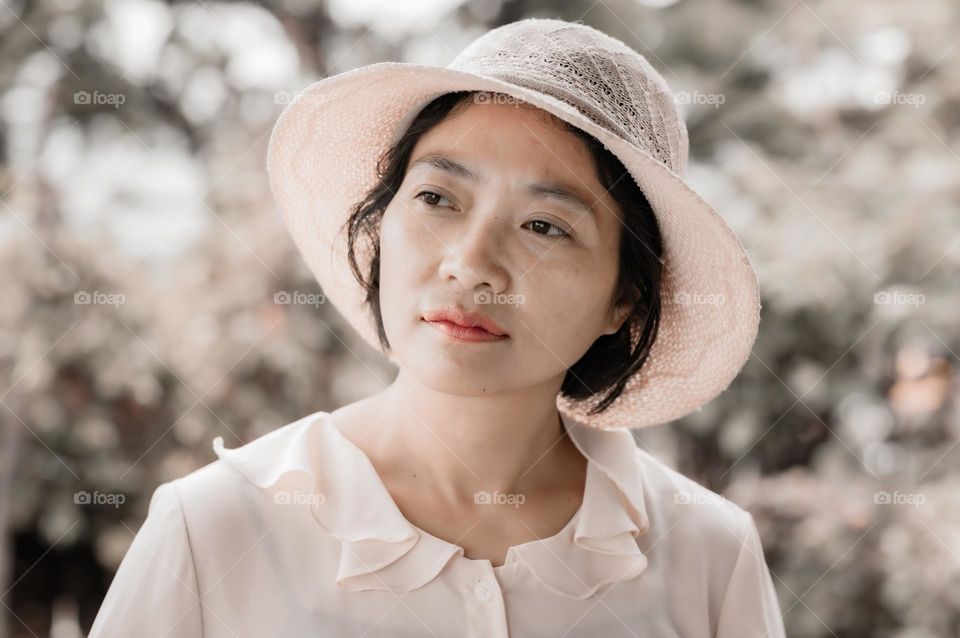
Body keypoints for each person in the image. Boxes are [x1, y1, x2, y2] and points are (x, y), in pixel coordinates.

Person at [88, 17, 785, 637]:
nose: (471, 264)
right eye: (437, 198)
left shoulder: (708, 556)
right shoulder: (214, 527)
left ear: (624, 298)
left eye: (544, 226)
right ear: (380, 224)